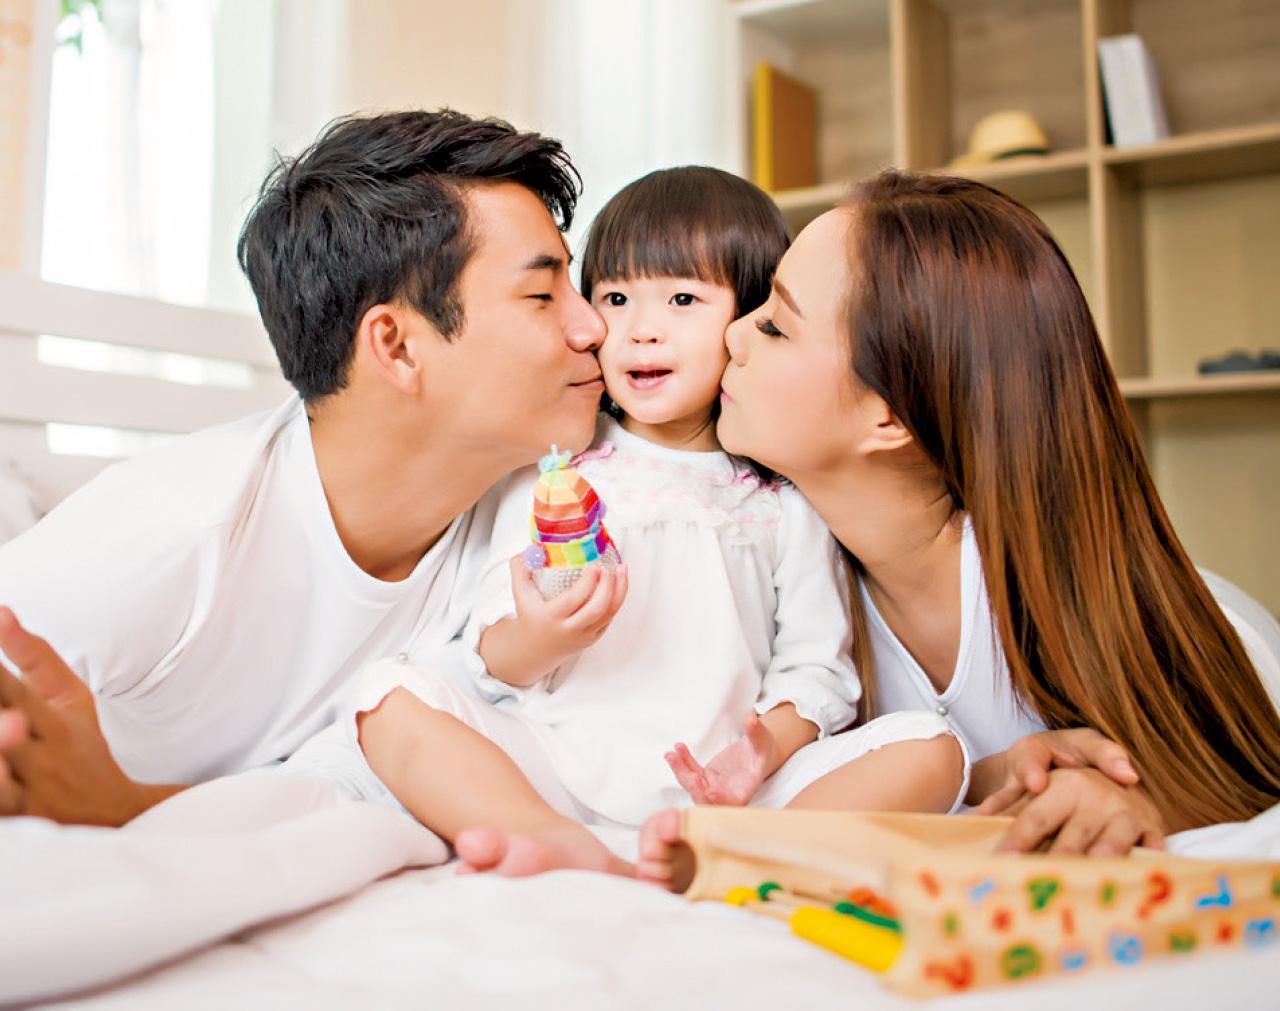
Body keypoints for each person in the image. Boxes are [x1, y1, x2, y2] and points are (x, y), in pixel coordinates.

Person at [635, 170, 1280, 882]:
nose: (732, 333)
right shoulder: (786, 604)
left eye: (776, 325)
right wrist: (989, 774)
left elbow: (1238, 783)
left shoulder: (1155, 630)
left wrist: (1147, 801)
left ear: (890, 417)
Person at [341, 167, 966, 882]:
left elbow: (818, 666)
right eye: (615, 298)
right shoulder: (554, 472)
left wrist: (760, 751)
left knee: (934, 746)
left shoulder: (780, 503)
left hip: (726, 797)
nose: (640, 330)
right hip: (559, 773)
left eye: (682, 299)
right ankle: (549, 838)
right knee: (386, 695)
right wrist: (539, 637)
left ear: (748, 321)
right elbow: (491, 653)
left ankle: (732, 856)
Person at [0, 109, 608, 825]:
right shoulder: (174, 531)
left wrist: (137, 808)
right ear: (397, 346)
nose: (594, 326)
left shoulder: (537, 517)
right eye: (542, 296)